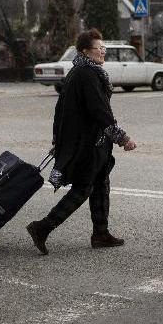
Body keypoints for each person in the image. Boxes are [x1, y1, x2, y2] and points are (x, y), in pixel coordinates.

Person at [26, 29, 137, 254]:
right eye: (100, 49)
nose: (103, 52)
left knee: (100, 185)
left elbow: (60, 110)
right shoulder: (87, 74)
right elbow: (99, 110)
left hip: (91, 142)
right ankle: (42, 227)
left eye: (104, 48)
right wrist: (122, 137)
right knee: (83, 188)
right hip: (89, 144)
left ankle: (101, 234)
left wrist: (58, 138)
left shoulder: (78, 72)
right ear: (86, 51)